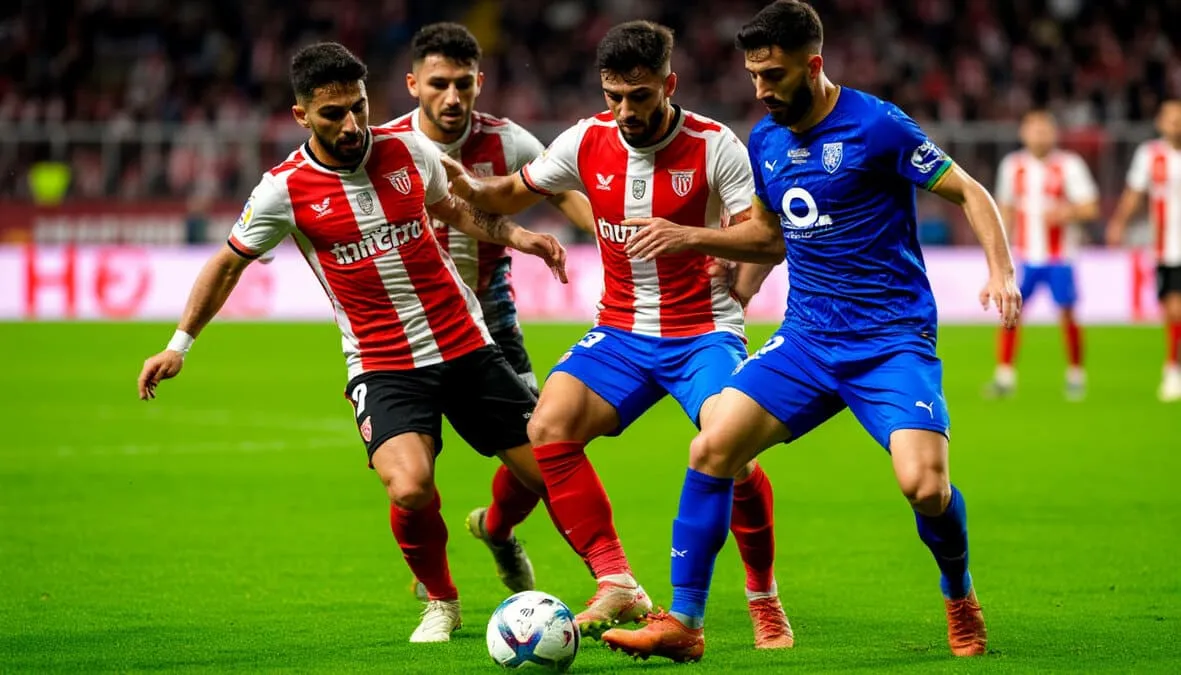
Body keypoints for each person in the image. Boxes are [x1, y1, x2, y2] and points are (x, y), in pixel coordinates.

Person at [600, 0, 1021, 662]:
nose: (761, 90)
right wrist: (720, 258)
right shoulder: (767, 141)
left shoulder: (877, 125)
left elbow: (970, 190)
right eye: (753, 76)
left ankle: (957, 590)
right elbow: (769, 235)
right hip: (805, 341)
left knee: (925, 487)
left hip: (889, 342)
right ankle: (684, 621)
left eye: (773, 75)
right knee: (711, 448)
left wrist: (1001, 270)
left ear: (813, 65)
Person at [135, 42, 568, 644]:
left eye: (359, 108)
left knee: (553, 471)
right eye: (333, 113)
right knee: (411, 486)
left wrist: (519, 236)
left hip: (464, 342)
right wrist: (180, 343)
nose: (351, 124)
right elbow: (229, 264)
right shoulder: (282, 190)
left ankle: (595, 574)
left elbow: (456, 210)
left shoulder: (408, 150)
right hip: (383, 362)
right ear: (301, 116)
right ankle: (442, 602)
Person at [444, 20, 792, 649]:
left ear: (669, 84)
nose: (626, 110)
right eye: (614, 96)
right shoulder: (584, 140)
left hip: (703, 332)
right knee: (547, 425)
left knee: (731, 449)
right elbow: (512, 194)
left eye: (641, 96)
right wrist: (466, 186)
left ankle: (763, 596)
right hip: (622, 331)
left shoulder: (716, 146)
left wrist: (727, 268)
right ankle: (617, 581)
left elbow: (765, 237)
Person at [391, 22, 595, 601]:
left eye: (463, 84)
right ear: (413, 85)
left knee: (543, 444)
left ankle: (497, 529)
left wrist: (608, 236)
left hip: (490, 316)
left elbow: (563, 192)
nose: (451, 98)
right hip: (411, 326)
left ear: (480, 82)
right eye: (438, 85)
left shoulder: (510, 142)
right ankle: (432, 572)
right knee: (411, 467)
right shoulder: (385, 146)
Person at [987, 110, 1098, 400]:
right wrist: (1000, 253)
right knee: (1010, 313)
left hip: (1061, 257)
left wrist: (1068, 212)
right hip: (1023, 257)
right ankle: (1004, 376)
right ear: (1024, 134)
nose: (1039, 135)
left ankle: (1075, 374)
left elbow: (1090, 207)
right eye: (1034, 130)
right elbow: (1005, 210)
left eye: (1045, 130)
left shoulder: (1070, 165)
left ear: (1054, 133)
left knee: (1067, 313)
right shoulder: (1013, 166)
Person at [1107, 100, 1181, 402]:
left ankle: (1172, 369)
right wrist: (1118, 223)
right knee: (1173, 310)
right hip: (1167, 248)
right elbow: (1135, 193)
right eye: (1171, 119)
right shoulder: (1150, 155)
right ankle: (1173, 369)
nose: (1176, 123)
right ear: (1161, 123)